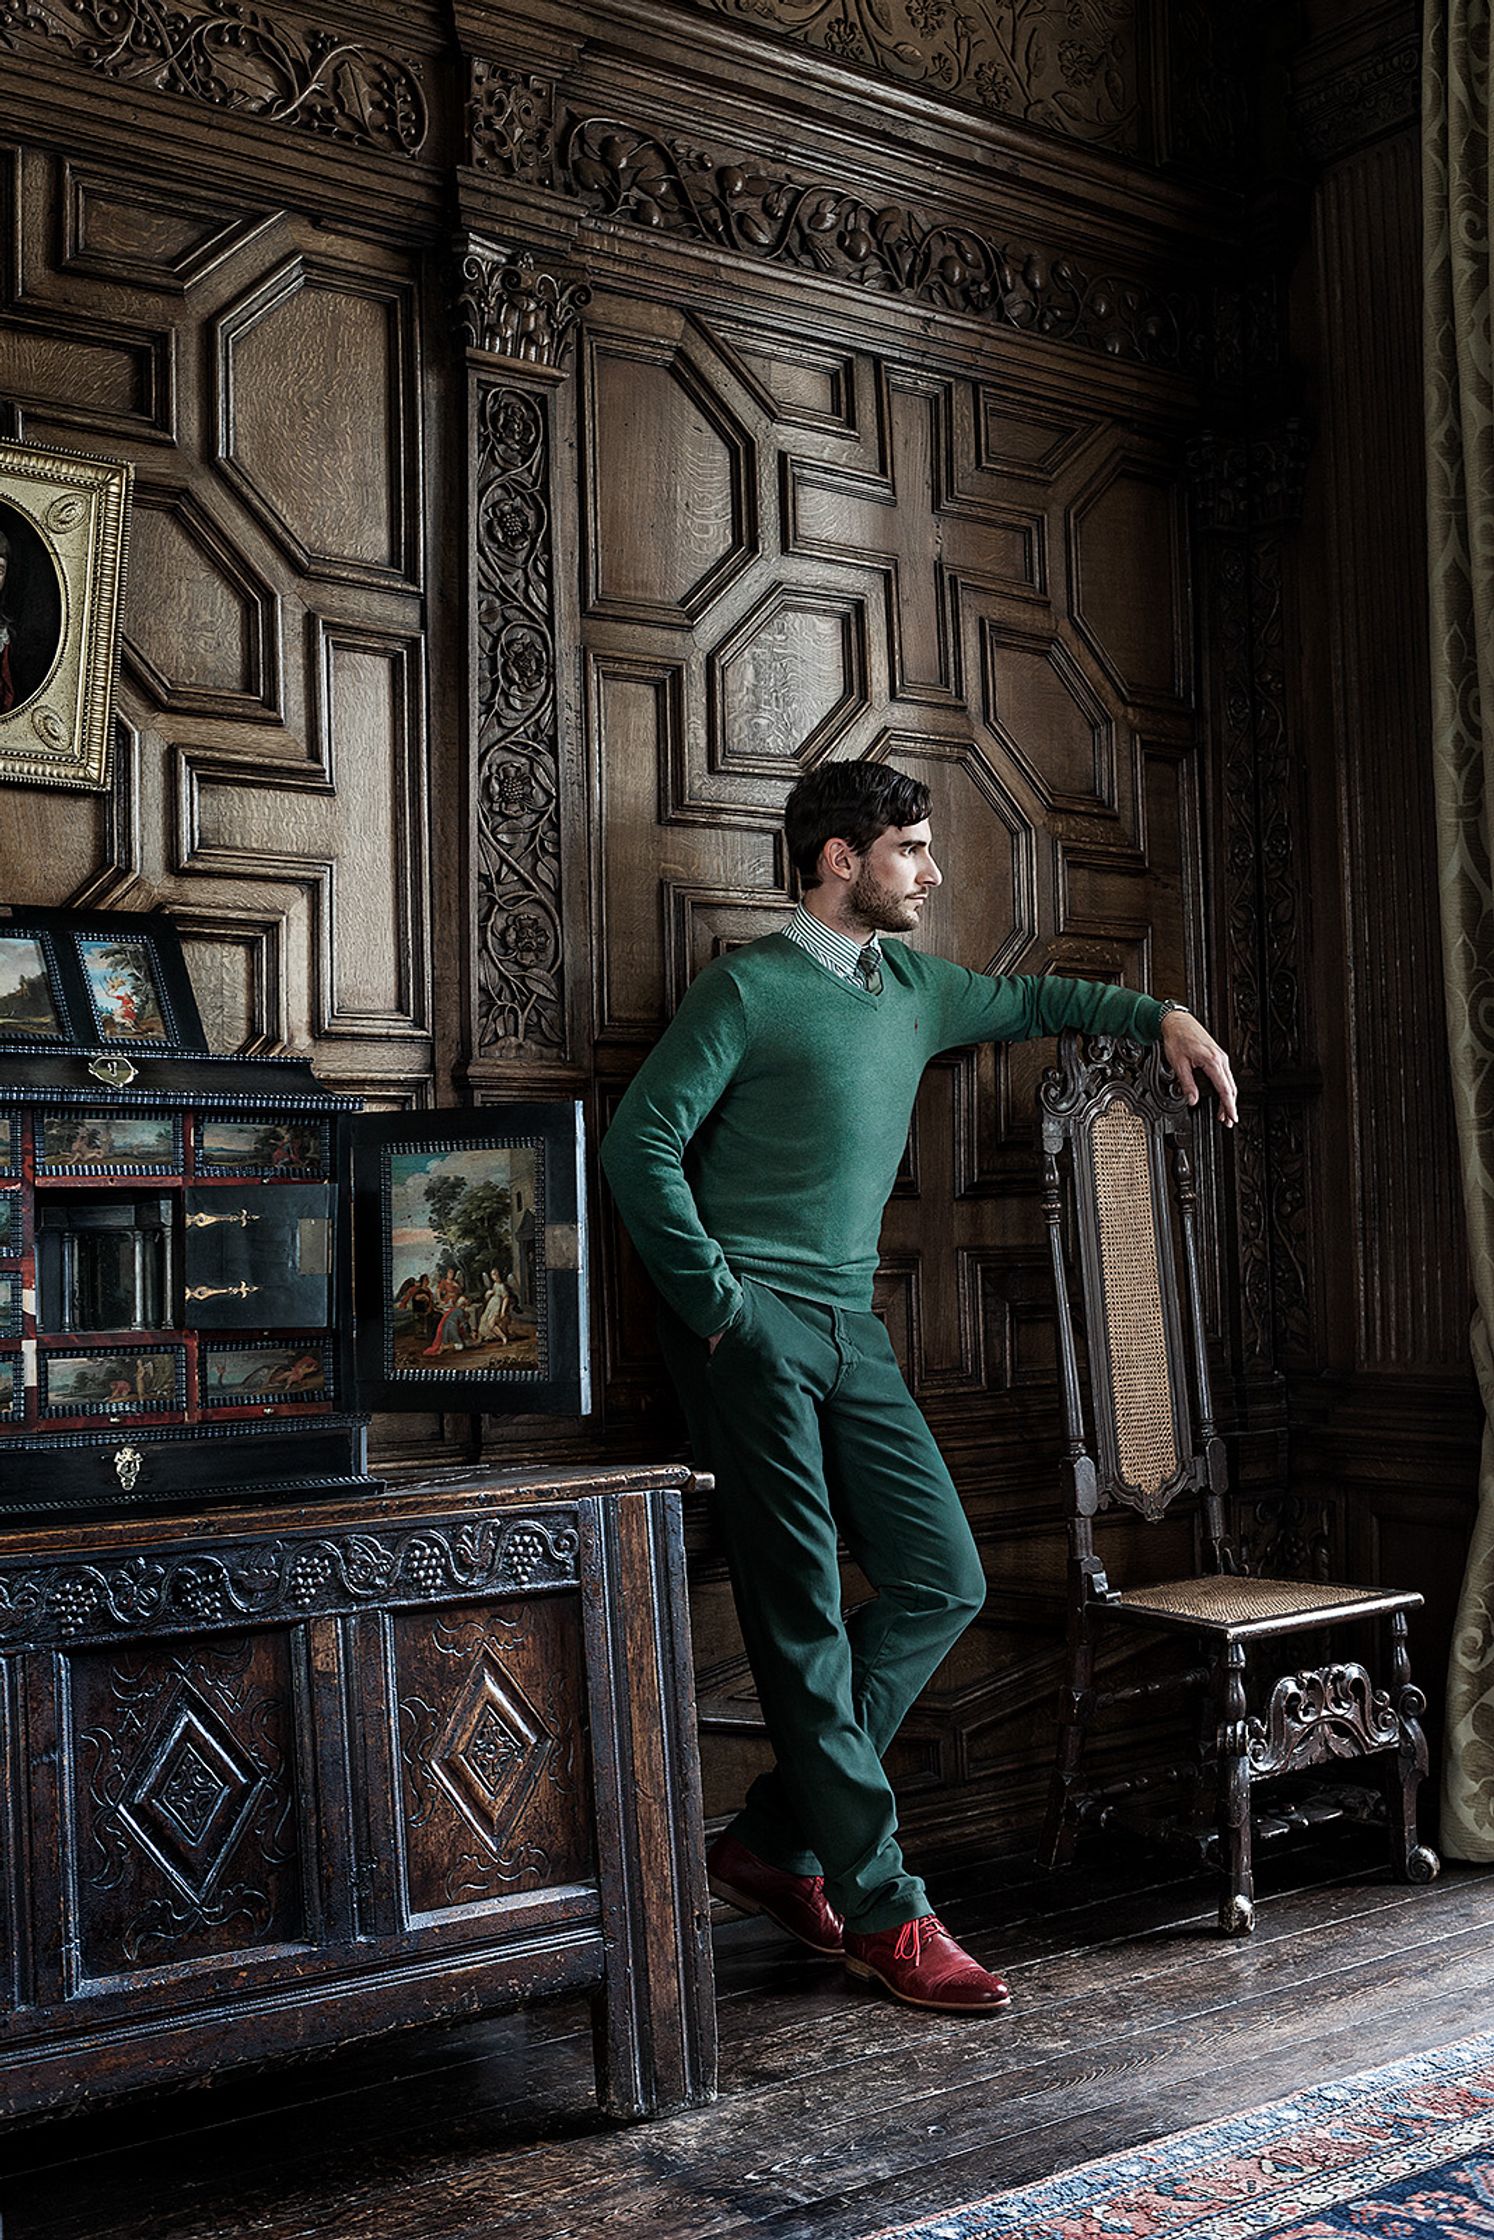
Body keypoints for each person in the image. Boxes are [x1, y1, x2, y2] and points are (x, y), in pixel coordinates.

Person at [601, 759, 1236, 2017]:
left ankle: (771, 1839)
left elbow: (1040, 996)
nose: (932, 873)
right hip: (749, 1334)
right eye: (910, 849)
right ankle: (887, 1910)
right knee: (801, 1620)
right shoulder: (745, 988)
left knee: (947, 1575)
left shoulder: (916, 988)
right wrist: (725, 1310)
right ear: (840, 858)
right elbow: (638, 1145)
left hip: (854, 1325)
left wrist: (1163, 1012)